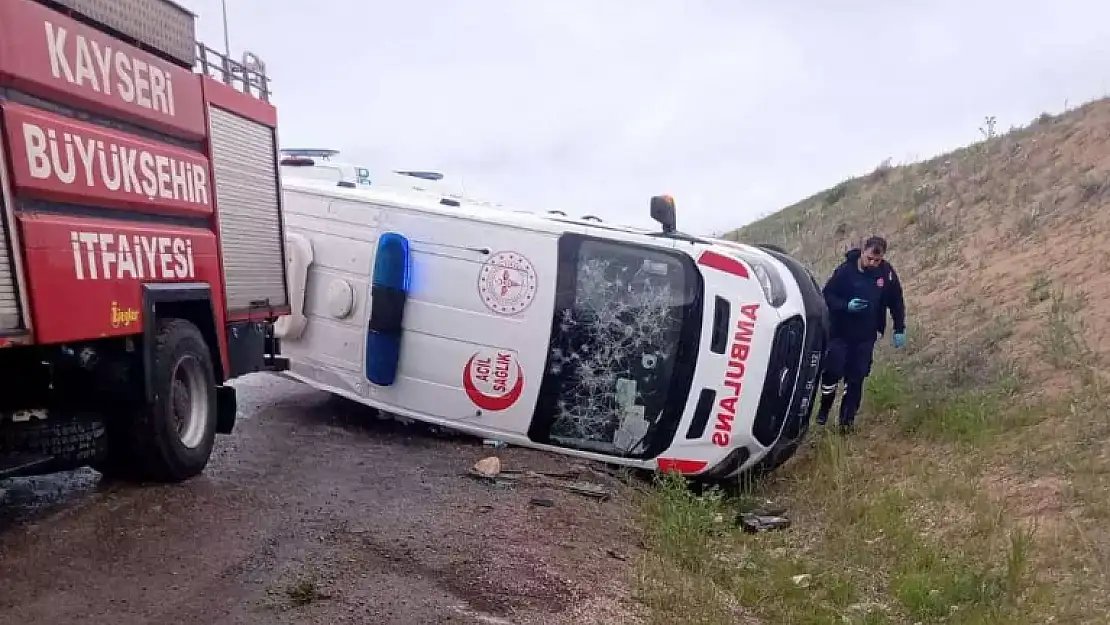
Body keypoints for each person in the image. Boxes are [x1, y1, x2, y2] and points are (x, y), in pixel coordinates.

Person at [815, 235, 906, 434]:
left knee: (856, 378)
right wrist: (845, 306)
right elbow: (827, 295)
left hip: (865, 336)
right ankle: (824, 408)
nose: (872, 263)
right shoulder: (845, 271)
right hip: (840, 332)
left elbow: (896, 300)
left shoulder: (886, 273)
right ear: (863, 251)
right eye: (869, 259)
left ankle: (846, 423)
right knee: (833, 371)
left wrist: (899, 328)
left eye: (877, 260)